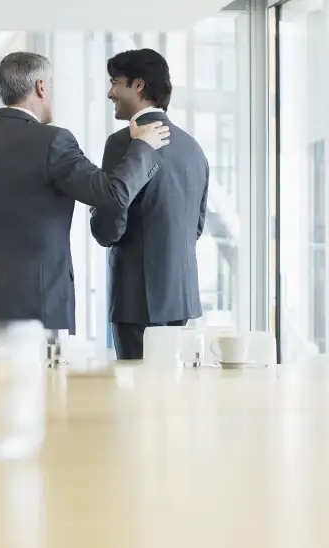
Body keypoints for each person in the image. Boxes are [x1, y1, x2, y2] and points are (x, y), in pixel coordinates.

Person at [0, 51, 170, 334]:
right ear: (40, 87)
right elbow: (112, 195)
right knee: (44, 377)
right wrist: (141, 148)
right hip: (41, 299)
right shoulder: (54, 142)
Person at [90, 48, 209, 360]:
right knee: (170, 399)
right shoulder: (193, 149)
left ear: (138, 85)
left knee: (136, 400)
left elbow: (108, 229)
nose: (109, 92)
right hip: (180, 299)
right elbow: (195, 228)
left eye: (115, 82)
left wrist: (98, 211)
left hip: (136, 299)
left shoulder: (124, 143)